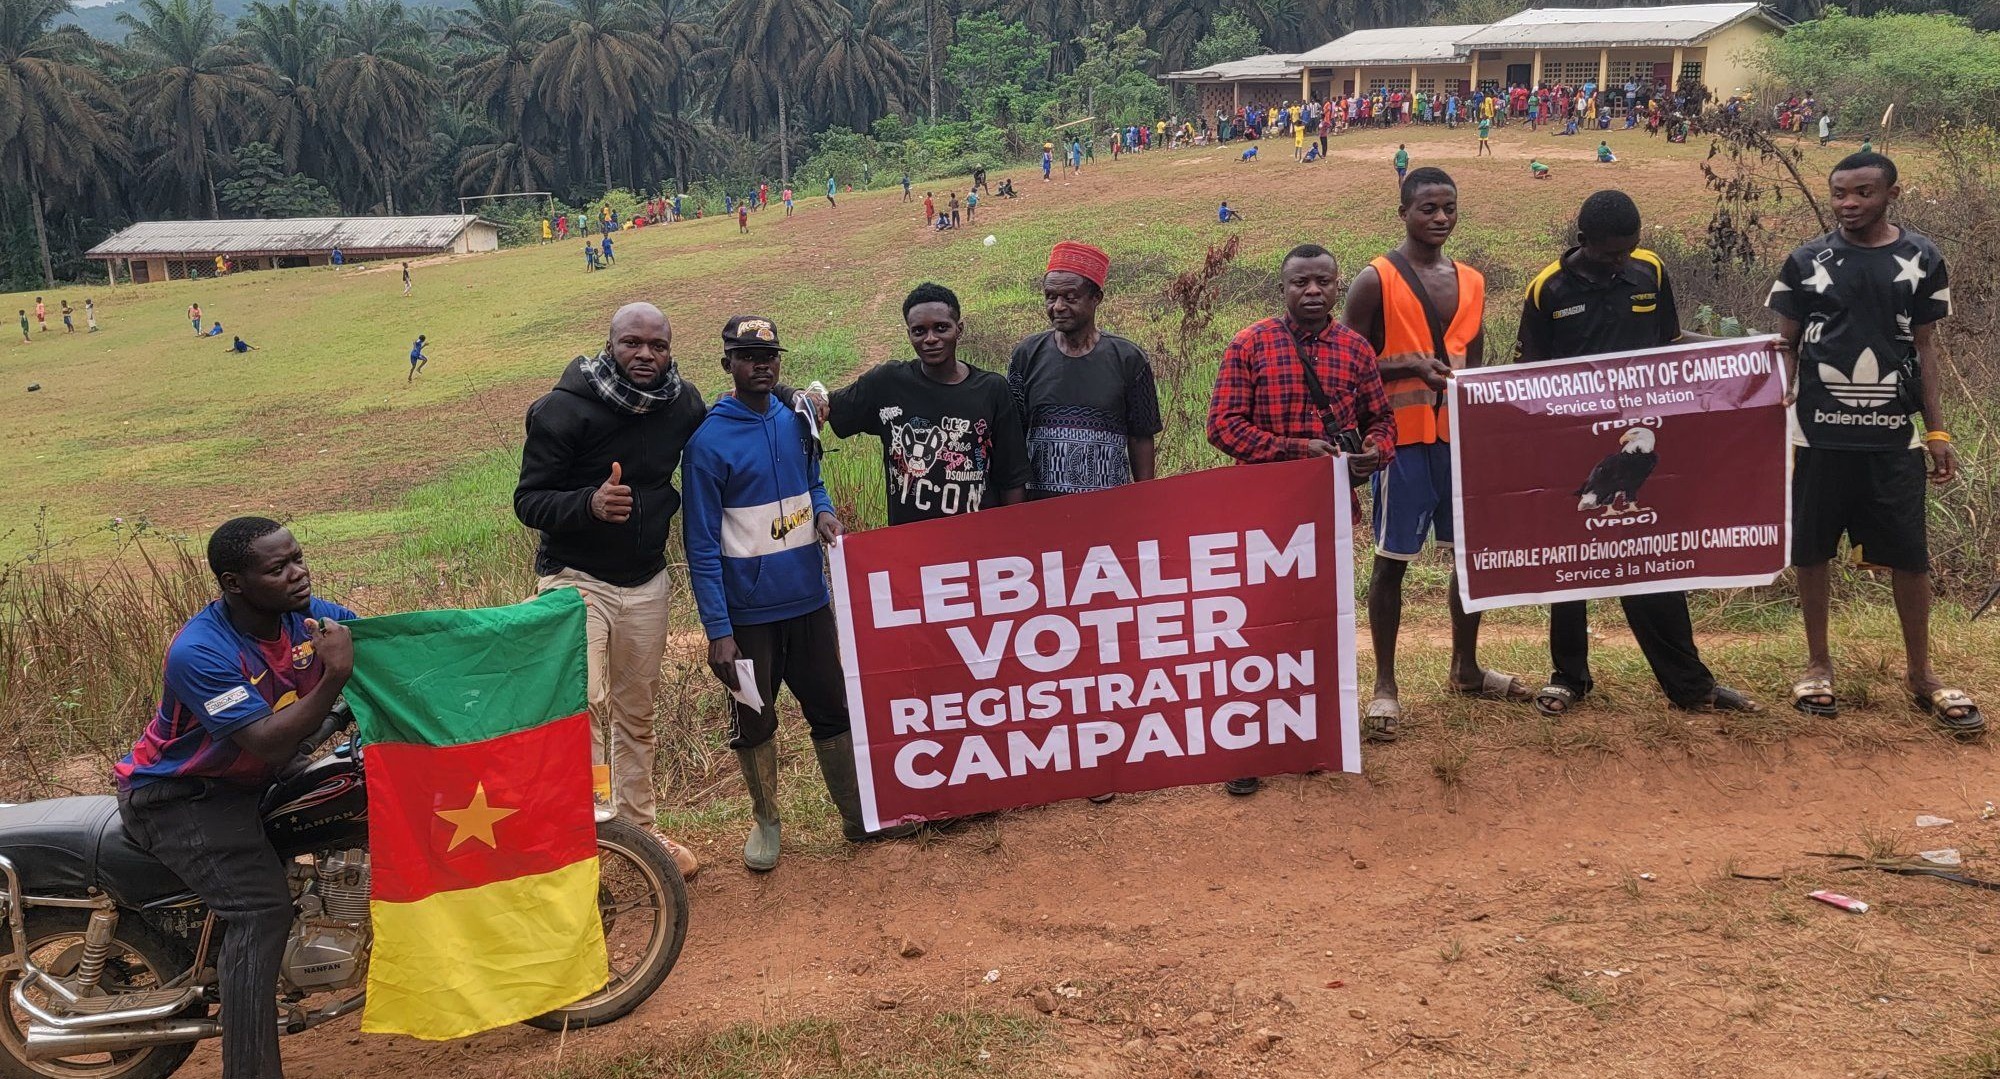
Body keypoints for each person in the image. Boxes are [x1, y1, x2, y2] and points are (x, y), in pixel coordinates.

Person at [115, 517, 357, 1079]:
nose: (298, 573)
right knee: (260, 909)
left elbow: (387, 642)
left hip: (250, 780)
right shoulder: (200, 650)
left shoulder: (306, 616)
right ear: (235, 582)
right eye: (278, 568)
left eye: (298, 557)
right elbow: (267, 741)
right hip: (182, 796)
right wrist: (333, 679)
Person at [1515, 190, 1763, 720]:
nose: (1619, 262)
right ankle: (1569, 678)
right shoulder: (1547, 289)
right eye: (1609, 254)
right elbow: (1525, 379)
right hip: (1575, 443)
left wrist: (1748, 354)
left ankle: (1691, 686)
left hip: (1645, 437)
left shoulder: (1650, 270)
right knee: (1572, 564)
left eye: (1627, 251)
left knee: (1653, 562)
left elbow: (1670, 344)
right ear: (1583, 242)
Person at [683, 314, 918, 868]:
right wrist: (718, 631)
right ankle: (766, 822)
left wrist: (826, 512)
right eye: (747, 357)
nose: (761, 366)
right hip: (747, 615)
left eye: (769, 357)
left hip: (810, 601)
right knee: (754, 719)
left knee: (832, 708)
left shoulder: (797, 422)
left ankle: (859, 816)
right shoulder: (707, 444)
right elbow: (701, 546)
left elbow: (813, 481)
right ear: (727, 365)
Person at [1767, 152, 1980, 736]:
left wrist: (1936, 431)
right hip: (1816, 436)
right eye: (1839, 193)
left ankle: (1922, 675)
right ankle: (1817, 664)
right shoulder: (1807, 261)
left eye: (1862, 193)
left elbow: (1927, 347)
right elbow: (1781, 347)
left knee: (1909, 555)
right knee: (1811, 550)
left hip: (1894, 437)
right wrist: (1779, 398)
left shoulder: (1921, 258)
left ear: (1890, 193)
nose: (1848, 204)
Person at [515, 303, 708, 878]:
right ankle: (588, 842)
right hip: (576, 579)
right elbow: (529, 499)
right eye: (632, 343)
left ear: (670, 349)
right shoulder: (562, 410)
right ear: (610, 344)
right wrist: (588, 505)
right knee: (585, 709)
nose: (645, 355)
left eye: (657, 345)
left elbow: (724, 431)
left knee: (636, 713)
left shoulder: (682, 404)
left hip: (647, 580)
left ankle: (641, 833)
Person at [1341, 167, 1525, 741]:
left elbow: (1476, 361)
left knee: (1469, 557)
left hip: (1460, 440)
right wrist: (1408, 366)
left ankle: (1466, 669)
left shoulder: (1472, 279)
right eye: (1427, 208)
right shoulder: (1375, 279)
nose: (1440, 217)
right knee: (1392, 560)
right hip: (1401, 439)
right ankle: (1386, 687)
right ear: (1404, 212)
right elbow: (1346, 361)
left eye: (1449, 207)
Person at [1208, 242, 1395, 783]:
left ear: (1338, 286)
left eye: (1323, 282)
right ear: (1283, 288)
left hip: (1328, 512)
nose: (1313, 292)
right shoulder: (1250, 345)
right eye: (1300, 283)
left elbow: (1382, 420)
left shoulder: (1355, 350)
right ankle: (1246, 747)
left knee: (1319, 626)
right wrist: (1297, 450)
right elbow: (1222, 426)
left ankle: (1308, 737)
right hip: (1260, 511)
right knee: (1254, 626)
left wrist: (1374, 454)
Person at [817, 282, 1030, 526]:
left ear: (959, 329)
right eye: (919, 331)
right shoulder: (887, 383)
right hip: (912, 548)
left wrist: (1014, 535)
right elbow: (826, 407)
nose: (931, 339)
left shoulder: (992, 389)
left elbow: (1012, 478)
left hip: (978, 546)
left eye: (941, 328)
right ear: (908, 334)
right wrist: (798, 394)